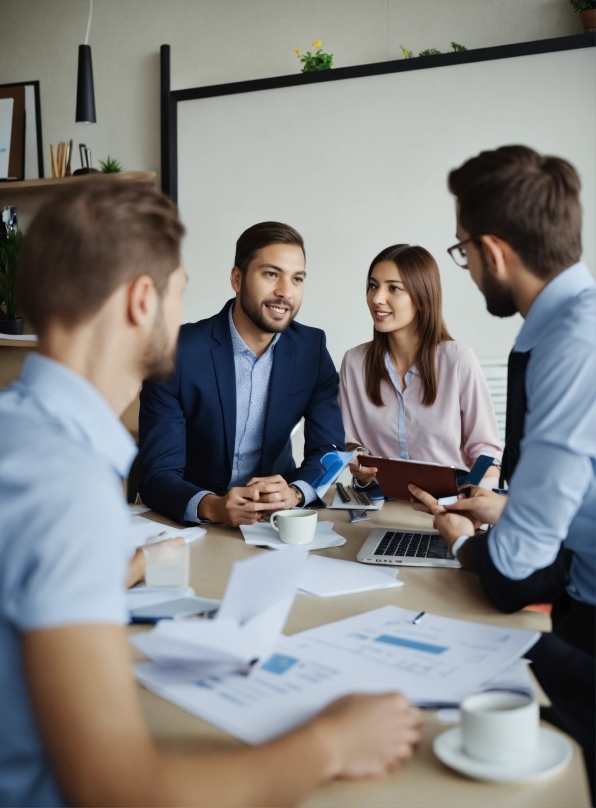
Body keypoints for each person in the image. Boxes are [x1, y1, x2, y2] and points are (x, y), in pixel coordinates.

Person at [0, 180, 422, 808]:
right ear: (145, 300)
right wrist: (331, 742)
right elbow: (121, 793)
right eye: (179, 293)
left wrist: (110, 566)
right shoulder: (70, 489)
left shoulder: (17, 428)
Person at [408, 145, 595, 797]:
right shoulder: (574, 322)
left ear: (493, 252)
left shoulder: (573, 344)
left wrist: (464, 539)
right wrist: (507, 509)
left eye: (462, 253)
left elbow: (514, 573)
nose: (467, 269)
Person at [138, 221, 345, 527]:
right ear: (237, 278)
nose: (285, 292)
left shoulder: (311, 350)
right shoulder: (177, 352)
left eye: (297, 279)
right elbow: (156, 473)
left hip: (274, 523)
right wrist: (211, 506)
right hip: (194, 522)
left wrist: (294, 493)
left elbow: (329, 450)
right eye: (271, 274)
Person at [339, 244, 502, 486]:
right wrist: (357, 459)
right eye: (373, 286)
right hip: (380, 505)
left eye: (393, 288)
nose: (377, 298)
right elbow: (351, 443)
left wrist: (470, 504)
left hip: (447, 505)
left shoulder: (458, 361)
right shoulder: (354, 363)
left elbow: (487, 454)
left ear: (422, 297)